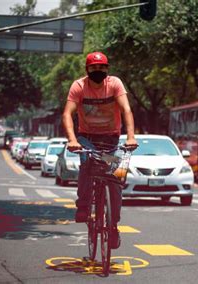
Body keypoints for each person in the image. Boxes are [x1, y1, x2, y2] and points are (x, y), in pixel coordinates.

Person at [62, 51, 138, 249]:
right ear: (87, 70)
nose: (98, 71)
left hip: (111, 139)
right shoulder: (78, 86)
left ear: (107, 69)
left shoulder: (114, 84)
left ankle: (113, 225)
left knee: (115, 177)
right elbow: (67, 114)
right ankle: (83, 205)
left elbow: (126, 110)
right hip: (87, 139)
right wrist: (72, 140)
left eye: (102, 67)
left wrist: (130, 137)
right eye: (94, 68)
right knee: (87, 165)